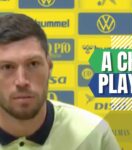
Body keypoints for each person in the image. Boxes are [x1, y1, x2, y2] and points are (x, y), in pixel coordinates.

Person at [0, 13, 120, 150]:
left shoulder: (94, 134)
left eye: (33, 64)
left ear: (49, 66)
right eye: (7, 67)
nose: (21, 81)